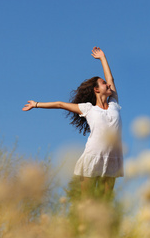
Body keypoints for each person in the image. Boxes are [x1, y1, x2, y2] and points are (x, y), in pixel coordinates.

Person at [22, 47, 123, 199]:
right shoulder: (88, 109)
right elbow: (60, 104)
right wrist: (36, 104)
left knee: (106, 201)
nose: (108, 86)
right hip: (93, 155)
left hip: (113, 157)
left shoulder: (114, 103)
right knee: (86, 200)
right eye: (103, 84)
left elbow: (111, 80)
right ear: (96, 89)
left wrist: (103, 58)